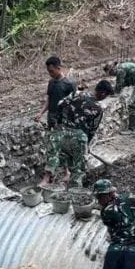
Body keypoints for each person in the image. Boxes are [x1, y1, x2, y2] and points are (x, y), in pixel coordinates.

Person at [55, 82, 113, 187]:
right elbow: (92, 130)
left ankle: (66, 181)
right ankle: (74, 191)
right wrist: (86, 144)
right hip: (78, 138)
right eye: (107, 95)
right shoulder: (97, 109)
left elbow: (60, 104)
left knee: (68, 160)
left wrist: (61, 122)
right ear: (103, 93)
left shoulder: (76, 93)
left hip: (63, 132)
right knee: (78, 170)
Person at [37, 56, 76, 186]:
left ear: (59, 68)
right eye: (49, 71)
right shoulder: (51, 83)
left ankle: (49, 175)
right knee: (55, 146)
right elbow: (49, 100)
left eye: (52, 71)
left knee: (54, 147)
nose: (50, 74)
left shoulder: (69, 84)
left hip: (63, 121)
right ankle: (64, 172)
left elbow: (74, 104)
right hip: (51, 119)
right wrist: (41, 113)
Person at [104, 61, 135, 132]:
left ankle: (131, 129)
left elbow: (119, 83)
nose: (112, 75)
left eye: (111, 73)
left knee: (133, 105)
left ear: (112, 69)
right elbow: (126, 82)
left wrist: (115, 93)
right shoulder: (124, 67)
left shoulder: (120, 69)